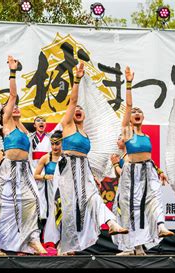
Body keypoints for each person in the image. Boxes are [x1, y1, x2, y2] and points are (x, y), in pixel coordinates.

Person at [49, 61, 128, 255]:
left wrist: (93, 176)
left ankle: (110, 223)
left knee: (92, 199)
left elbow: (87, 159)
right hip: (67, 168)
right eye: (76, 109)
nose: (77, 110)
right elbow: (73, 101)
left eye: (81, 110)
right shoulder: (67, 126)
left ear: (85, 116)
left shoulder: (86, 134)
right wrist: (77, 79)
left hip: (83, 168)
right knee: (68, 206)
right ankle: (64, 245)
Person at [112, 66, 174, 256]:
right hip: (131, 173)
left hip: (148, 170)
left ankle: (160, 225)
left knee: (154, 198)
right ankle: (134, 246)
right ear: (130, 118)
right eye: (134, 112)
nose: (136, 113)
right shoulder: (127, 133)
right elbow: (128, 106)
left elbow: (150, 158)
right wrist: (129, 84)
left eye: (140, 112)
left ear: (143, 117)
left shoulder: (147, 136)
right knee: (132, 207)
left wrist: (160, 171)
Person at [0, 55, 47, 256]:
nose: (15, 106)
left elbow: (29, 139)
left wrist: (21, 119)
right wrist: (13, 72)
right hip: (8, 168)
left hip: (24, 170)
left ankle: (31, 239)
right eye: (11, 105)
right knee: (1, 205)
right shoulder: (6, 124)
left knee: (32, 200)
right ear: (5, 110)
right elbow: (13, 96)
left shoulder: (22, 128)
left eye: (16, 106)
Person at [34, 130, 63, 249]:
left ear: (62, 143)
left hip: (64, 191)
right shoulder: (45, 158)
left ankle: (64, 243)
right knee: (51, 214)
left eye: (57, 144)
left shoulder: (66, 157)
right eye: (52, 144)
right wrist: (46, 176)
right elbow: (35, 175)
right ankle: (50, 242)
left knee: (64, 215)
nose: (55, 147)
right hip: (50, 192)